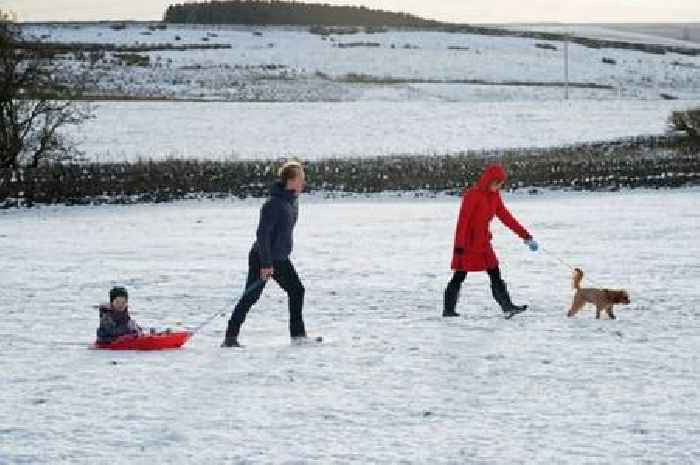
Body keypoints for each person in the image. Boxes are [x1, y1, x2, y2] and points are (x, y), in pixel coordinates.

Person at [222, 161, 309, 347]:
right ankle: (230, 337)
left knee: (296, 291)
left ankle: (298, 335)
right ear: (292, 180)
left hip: (280, 257)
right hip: (263, 256)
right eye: (301, 179)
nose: (304, 183)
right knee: (251, 296)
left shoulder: (291, 201)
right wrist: (266, 264)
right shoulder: (273, 204)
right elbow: (262, 235)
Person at [444, 164, 538, 318]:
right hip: (467, 243)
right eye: (496, 183)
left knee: (495, 272)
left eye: (500, 183)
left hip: (483, 243)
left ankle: (507, 307)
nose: (498, 186)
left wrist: (526, 236)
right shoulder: (472, 195)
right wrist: (459, 246)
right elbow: (463, 221)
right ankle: (448, 310)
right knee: (459, 275)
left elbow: (507, 218)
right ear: (488, 180)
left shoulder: (495, 197)